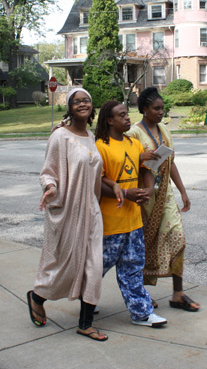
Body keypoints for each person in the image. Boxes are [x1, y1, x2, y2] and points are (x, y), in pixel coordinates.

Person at [27, 88, 107, 342]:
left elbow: (95, 175)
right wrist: (50, 187)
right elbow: (47, 171)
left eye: (86, 100)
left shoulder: (90, 136)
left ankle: (86, 323)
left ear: (92, 107)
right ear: (70, 107)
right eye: (77, 101)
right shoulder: (60, 136)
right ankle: (37, 297)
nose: (82, 104)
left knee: (94, 265)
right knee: (66, 267)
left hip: (92, 210)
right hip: (69, 209)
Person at [95, 100, 167, 328]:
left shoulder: (134, 143)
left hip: (133, 221)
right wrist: (126, 194)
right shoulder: (100, 147)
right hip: (110, 223)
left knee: (133, 269)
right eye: (122, 115)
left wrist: (147, 189)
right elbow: (96, 183)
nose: (128, 118)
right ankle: (84, 295)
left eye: (127, 114)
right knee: (95, 268)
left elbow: (146, 170)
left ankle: (141, 313)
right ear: (109, 120)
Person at [127, 87, 200, 311]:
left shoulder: (165, 131)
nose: (160, 112)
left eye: (162, 108)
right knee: (143, 246)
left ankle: (178, 293)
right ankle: (140, 293)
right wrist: (143, 158)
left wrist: (182, 191)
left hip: (164, 195)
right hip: (143, 198)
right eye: (156, 108)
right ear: (144, 110)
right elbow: (126, 163)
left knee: (179, 238)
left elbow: (171, 162)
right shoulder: (133, 133)